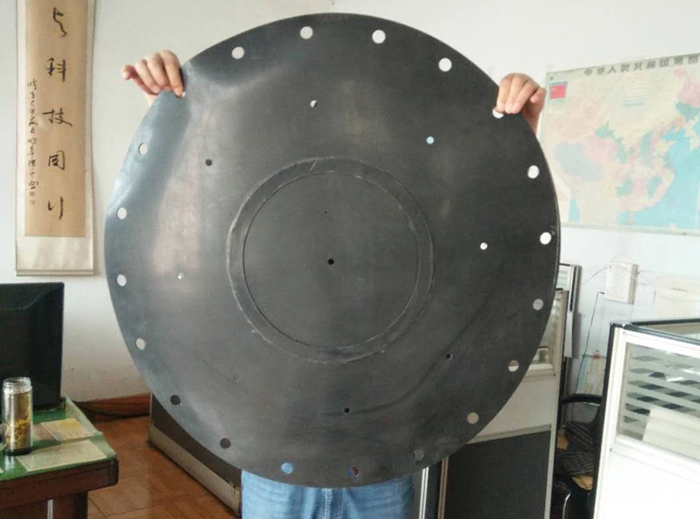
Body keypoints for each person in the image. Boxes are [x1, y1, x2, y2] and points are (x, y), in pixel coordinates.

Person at [122, 50, 546, 519]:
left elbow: (490, 244)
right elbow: (185, 208)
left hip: (383, 458)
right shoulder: (263, 207)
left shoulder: (415, 214)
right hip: (277, 457)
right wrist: (170, 114)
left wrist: (518, 137)